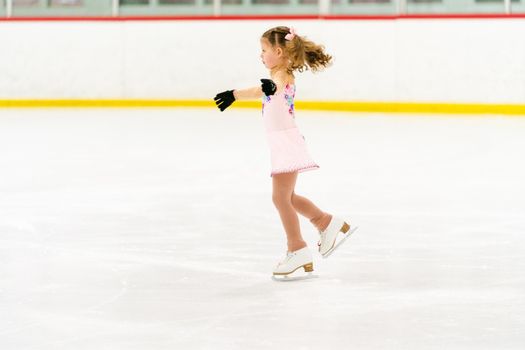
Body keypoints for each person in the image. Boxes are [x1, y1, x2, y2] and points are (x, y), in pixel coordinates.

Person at [214, 26, 356, 281]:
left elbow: (275, 87)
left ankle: (298, 248)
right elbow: (261, 90)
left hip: (286, 143)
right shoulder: (278, 73)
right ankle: (326, 223)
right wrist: (234, 95)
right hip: (284, 142)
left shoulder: (282, 75)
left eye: (264, 50)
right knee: (287, 197)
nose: (261, 55)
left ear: (278, 51)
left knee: (281, 199)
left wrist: (270, 86)